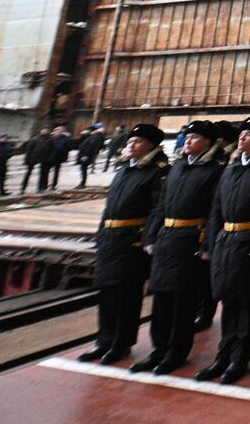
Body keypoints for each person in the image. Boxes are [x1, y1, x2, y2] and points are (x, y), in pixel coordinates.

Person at [196, 116, 250, 385]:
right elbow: (216, 210)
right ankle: (223, 357)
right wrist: (209, 243)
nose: (242, 138)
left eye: (249, 134)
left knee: (247, 304)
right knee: (228, 301)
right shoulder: (231, 168)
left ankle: (239, 360)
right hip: (226, 241)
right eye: (241, 134)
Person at [133, 120, 224, 376]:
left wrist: (207, 244)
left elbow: (214, 211)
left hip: (190, 240)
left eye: (195, 137)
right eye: (187, 137)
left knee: (182, 302)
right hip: (165, 238)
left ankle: (176, 352)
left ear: (208, 142)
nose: (188, 141)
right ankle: (158, 349)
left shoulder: (214, 170)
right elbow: (161, 205)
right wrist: (150, 236)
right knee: (161, 299)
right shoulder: (177, 167)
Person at [77, 123, 168, 365]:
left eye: (136, 142)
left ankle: (121, 343)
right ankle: (103, 341)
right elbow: (110, 207)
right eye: (129, 141)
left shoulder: (157, 171)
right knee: (107, 292)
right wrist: (100, 234)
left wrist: (148, 239)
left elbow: (157, 209)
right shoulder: (124, 169)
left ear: (150, 145)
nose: (130, 145)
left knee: (126, 295)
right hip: (111, 239)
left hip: (132, 240)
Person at [19, 127, 54, 194]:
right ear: (40, 131)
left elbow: (52, 149)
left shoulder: (50, 139)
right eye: (43, 130)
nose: (44, 132)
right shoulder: (34, 139)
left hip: (44, 158)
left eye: (46, 131)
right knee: (28, 173)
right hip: (33, 157)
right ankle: (23, 188)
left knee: (43, 174)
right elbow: (28, 150)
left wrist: (50, 158)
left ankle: (41, 188)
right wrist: (26, 159)